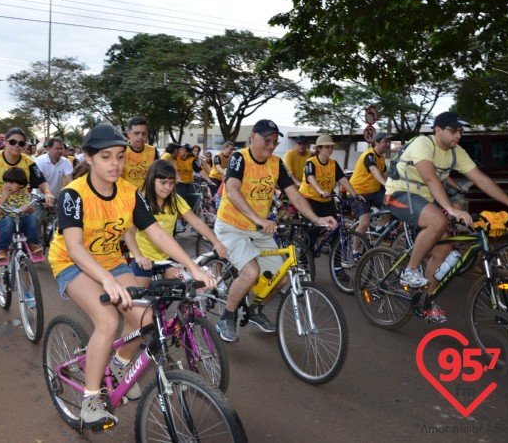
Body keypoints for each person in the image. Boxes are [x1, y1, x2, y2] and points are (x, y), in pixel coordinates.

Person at [48, 124, 215, 428]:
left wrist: (192, 267)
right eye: (106, 157)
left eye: (120, 157)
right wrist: (107, 280)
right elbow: (74, 247)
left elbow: (158, 235)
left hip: (112, 261)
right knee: (108, 321)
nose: (115, 164)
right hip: (72, 264)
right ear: (89, 158)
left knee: (146, 320)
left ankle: (118, 363)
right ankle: (91, 397)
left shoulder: (129, 193)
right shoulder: (73, 195)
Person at [385, 111, 508, 322]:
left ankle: (425, 300)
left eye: (460, 131)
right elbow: (430, 178)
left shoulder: (456, 153)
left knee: (443, 250)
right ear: (438, 130)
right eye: (453, 131)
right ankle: (410, 270)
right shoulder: (424, 144)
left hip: (426, 199)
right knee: (438, 220)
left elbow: (481, 179)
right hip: (399, 193)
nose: (458, 135)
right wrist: (451, 210)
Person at [214, 119, 337, 342]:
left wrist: (317, 218)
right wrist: (258, 218)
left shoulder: (276, 163)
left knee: (282, 277)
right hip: (232, 227)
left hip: (259, 229)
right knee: (251, 273)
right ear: (253, 137)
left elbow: (293, 193)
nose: (271, 146)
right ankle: (227, 316)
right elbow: (232, 191)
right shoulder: (239, 158)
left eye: (274, 142)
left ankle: (254, 310)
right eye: (267, 141)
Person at [0, 127, 54, 323]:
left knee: (24, 251)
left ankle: (28, 290)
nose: (17, 146)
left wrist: (48, 193)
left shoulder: (28, 162)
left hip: (18, 214)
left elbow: (42, 181)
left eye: (21, 143)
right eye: (13, 142)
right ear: (5, 142)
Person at [126, 160, 228, 287]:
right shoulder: (141, 202)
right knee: (140, 297)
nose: (168, 187)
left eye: (171, 183)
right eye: (163, 182)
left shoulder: (175, 200)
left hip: (167, 256)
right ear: (151, 180)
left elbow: (196, 222)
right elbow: (129, 234)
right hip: (144, 258)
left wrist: (216, 242)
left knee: (183, 288)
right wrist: (138, 256)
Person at [299, 135, 363, 219]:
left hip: (326, 199)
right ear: (319, 148)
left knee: (335, 225)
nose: (330, 150)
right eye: (327, 147)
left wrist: (355, 194)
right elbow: (310, 178)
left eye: (331, 147)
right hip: (308, 199)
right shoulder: (311, 162)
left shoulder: (333, 163)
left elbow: (342, 179)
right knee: (314, 228)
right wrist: (321, 191)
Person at [351, 131, 392, 247]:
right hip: (359, 193)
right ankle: (355, 250)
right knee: (364, 222)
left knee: (393, 202)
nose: (388, 144)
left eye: (389, 141)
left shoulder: (382, 159)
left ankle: (379, 229)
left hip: (374, 192)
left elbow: (384, 175)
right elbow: (374, 171)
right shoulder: (369, 156)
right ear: (376, 143)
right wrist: (385, 184)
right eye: (385, 141)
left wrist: (393, 186)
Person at [0, 167, 43, 260]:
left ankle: (33, 244)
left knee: (32, 218)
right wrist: (3, 199)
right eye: (6, 182)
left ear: (21, 184)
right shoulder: (0, 195)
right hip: (5, 224)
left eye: (12, 183)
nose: (8, 185)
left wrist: (28, 208)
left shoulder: (25, 195)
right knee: (8, 220)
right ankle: (2, 250)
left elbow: (31, 210)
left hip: (21, 223)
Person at [121, 117, 158, 190]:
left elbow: (156, 175)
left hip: (146, 196)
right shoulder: (121, 150)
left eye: (144, 134)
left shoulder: (153, 151)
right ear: (129, 134)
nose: (140, 137)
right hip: (124, 195)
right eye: (136, 133)